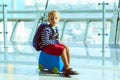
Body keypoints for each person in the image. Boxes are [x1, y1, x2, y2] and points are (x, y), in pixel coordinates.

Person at [40, 10, 79, 77]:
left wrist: (59, 42)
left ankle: (67, 67)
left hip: (53, 44)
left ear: (59, 20)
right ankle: (67, 67)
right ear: (48, 19)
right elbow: (45, 42)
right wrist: (57, 42)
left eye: (56, 18)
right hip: (47, 47)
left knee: (67, 48)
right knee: (62, 49)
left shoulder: (57, 28)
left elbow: (57, 38)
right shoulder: (46, 29)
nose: (54, 20)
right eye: (51, 19)